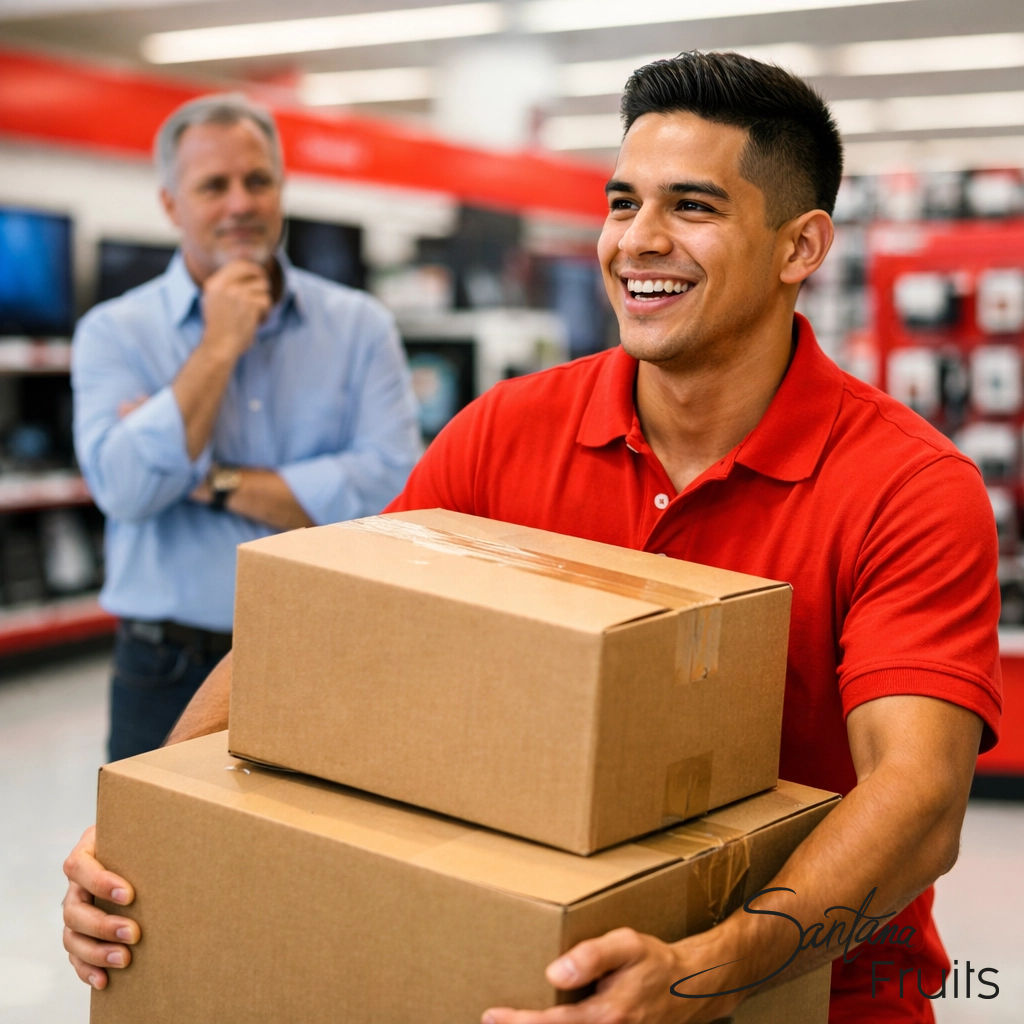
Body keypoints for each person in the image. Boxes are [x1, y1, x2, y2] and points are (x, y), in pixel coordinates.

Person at [62, 52, 1001, 1023]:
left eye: (692, 207)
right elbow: (321, 638)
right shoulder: (505, 432)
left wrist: (702, 973)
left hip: (810, 997)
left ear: (799, 248)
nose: (637, 241)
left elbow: (918, 800)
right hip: (531, 978)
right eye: (620, 201)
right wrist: (135, 840)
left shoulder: (907, 487)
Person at [70, 93, 422, 762]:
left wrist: (202, 475)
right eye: (214, 185)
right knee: (148, 863)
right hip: (164, 668)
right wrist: (218, 347)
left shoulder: (358, 326)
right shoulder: (114, 332)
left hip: (323, 652)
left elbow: (388, 492)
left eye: (258, 180)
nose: (241, 203)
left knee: (318, 860)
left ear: (281, 189)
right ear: (172, 204)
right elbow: (124, 489)